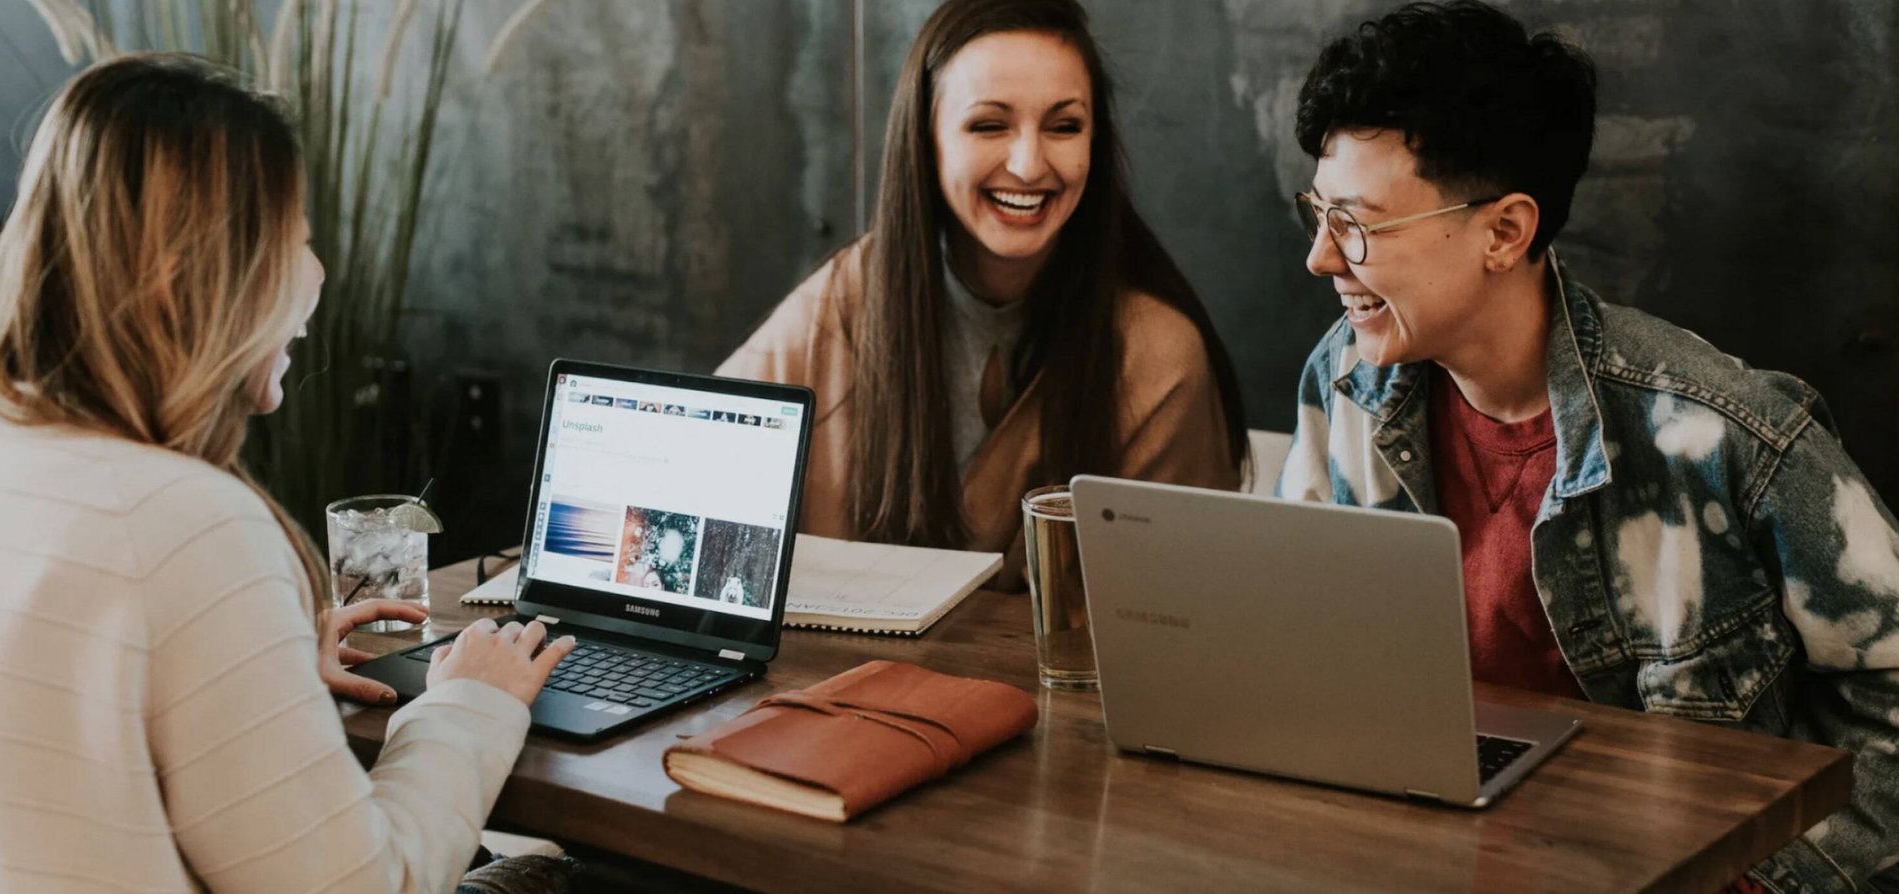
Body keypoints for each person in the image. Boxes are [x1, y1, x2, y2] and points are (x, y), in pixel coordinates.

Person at [0, 54, 577, 892]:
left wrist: (269, 663)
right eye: (293, 240)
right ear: (194, 278)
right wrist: (471, 704)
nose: (317, 274)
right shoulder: (187, 522)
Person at [1277, 3, 1899, 890]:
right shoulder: (1344, 381)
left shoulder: (1723, 435)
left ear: (1505, 232)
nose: (1320, 259)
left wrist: (1767, 879)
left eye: (1357, 224)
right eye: (1318, 212)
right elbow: (1298, 643)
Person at [718, 0, 1248, 580]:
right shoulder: (845, 300)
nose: (1028, 164)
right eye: (989, 125)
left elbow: (1174, 614)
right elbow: (695, 476)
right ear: (926, 139)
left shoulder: (1157, 355)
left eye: (1064, 126)